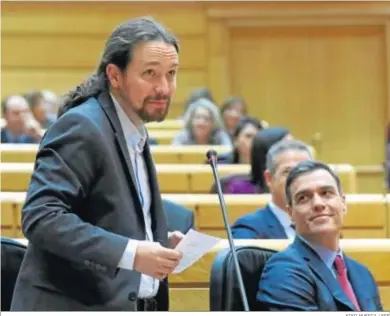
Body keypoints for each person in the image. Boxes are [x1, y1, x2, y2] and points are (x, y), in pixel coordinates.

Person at [11, 17, 185, 311]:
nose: (164, 88)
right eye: (150, 74)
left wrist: (152, 239)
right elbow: (42, 217)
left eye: (171, 73)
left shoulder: (131, 126)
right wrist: (132, 252)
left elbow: (103, 211)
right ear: (114, 76)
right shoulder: (84, 126)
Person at [257, 161, 383, 311]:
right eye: (303, 198)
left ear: (343, 203)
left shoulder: (362, 274)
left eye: (326, 193)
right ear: (291, 213)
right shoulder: (282, 272)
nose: (318, 203)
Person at [231, 139, 313, 239]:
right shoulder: (249, 228)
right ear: (269, 178)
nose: (298, 178)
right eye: (287, 172)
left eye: (304, 171)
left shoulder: (323, 219)